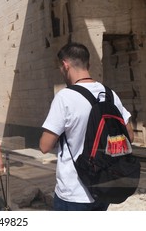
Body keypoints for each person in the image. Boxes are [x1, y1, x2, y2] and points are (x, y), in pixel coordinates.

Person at [39, 42, 134, 211]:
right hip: (104, 185)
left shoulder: (65, 97)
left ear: (65, 65)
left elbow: (44, 146)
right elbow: (130, 137)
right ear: (88, 64)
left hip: (74, 192)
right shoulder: (110, 94)